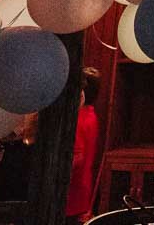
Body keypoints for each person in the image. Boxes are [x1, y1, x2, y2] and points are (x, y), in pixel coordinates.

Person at [65, 67, 102, 223]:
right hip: (82, 193)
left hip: (70, 197)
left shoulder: (78, 119)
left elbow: (76, 158)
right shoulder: (91, 115)